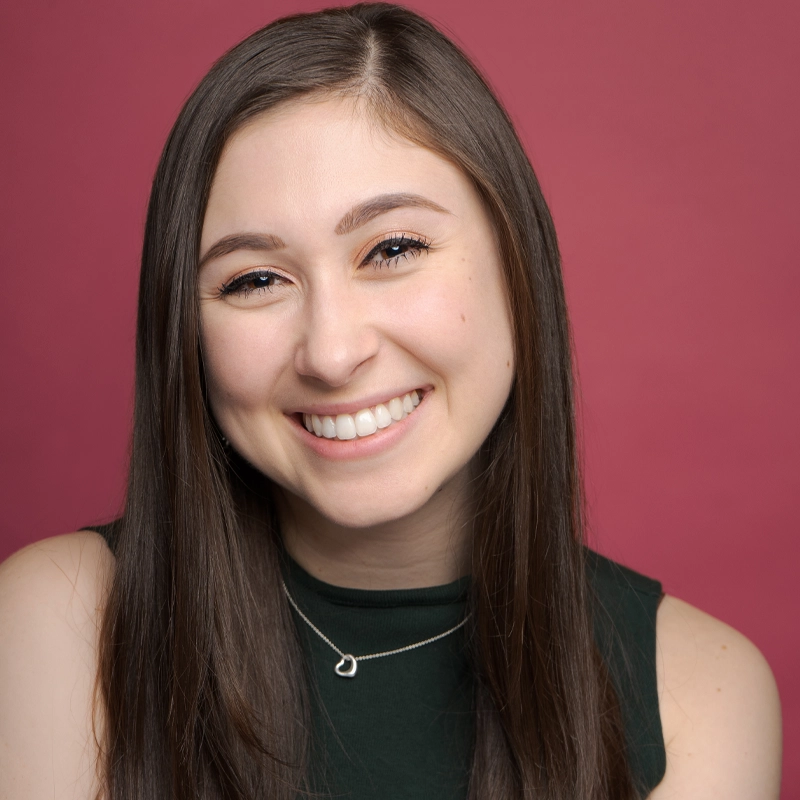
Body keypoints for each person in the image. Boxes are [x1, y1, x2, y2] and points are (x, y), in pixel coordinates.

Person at [0, 4, 782, 799]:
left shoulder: (698, 694)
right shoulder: (63, 625)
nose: (333, 354)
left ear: (517, 262)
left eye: (393, 249)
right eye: (255, 280)